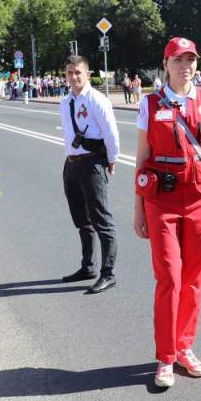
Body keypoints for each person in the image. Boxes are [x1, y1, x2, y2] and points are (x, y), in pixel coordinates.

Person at [133, 38, 201, 387]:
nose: (185, 65)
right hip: (162, 201)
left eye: (191, 59)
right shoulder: (150, 103)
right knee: (169, 276)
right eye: (178, 59)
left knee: (193, 279)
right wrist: (138, 210)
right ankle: (166, 356)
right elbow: (142, 159)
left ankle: (185, 347)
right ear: (166, 63)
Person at [59, 55, 120, 294]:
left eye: (78, 73)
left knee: (102, 220)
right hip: (72, 164)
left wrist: (112, 160)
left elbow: (111, 133)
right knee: (81, 220)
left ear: (87, 73)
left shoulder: (97, 100)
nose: (74, 77)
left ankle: (108, 273)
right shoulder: (65, 102)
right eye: (70, 72)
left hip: (93, 164)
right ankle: (89, 266)